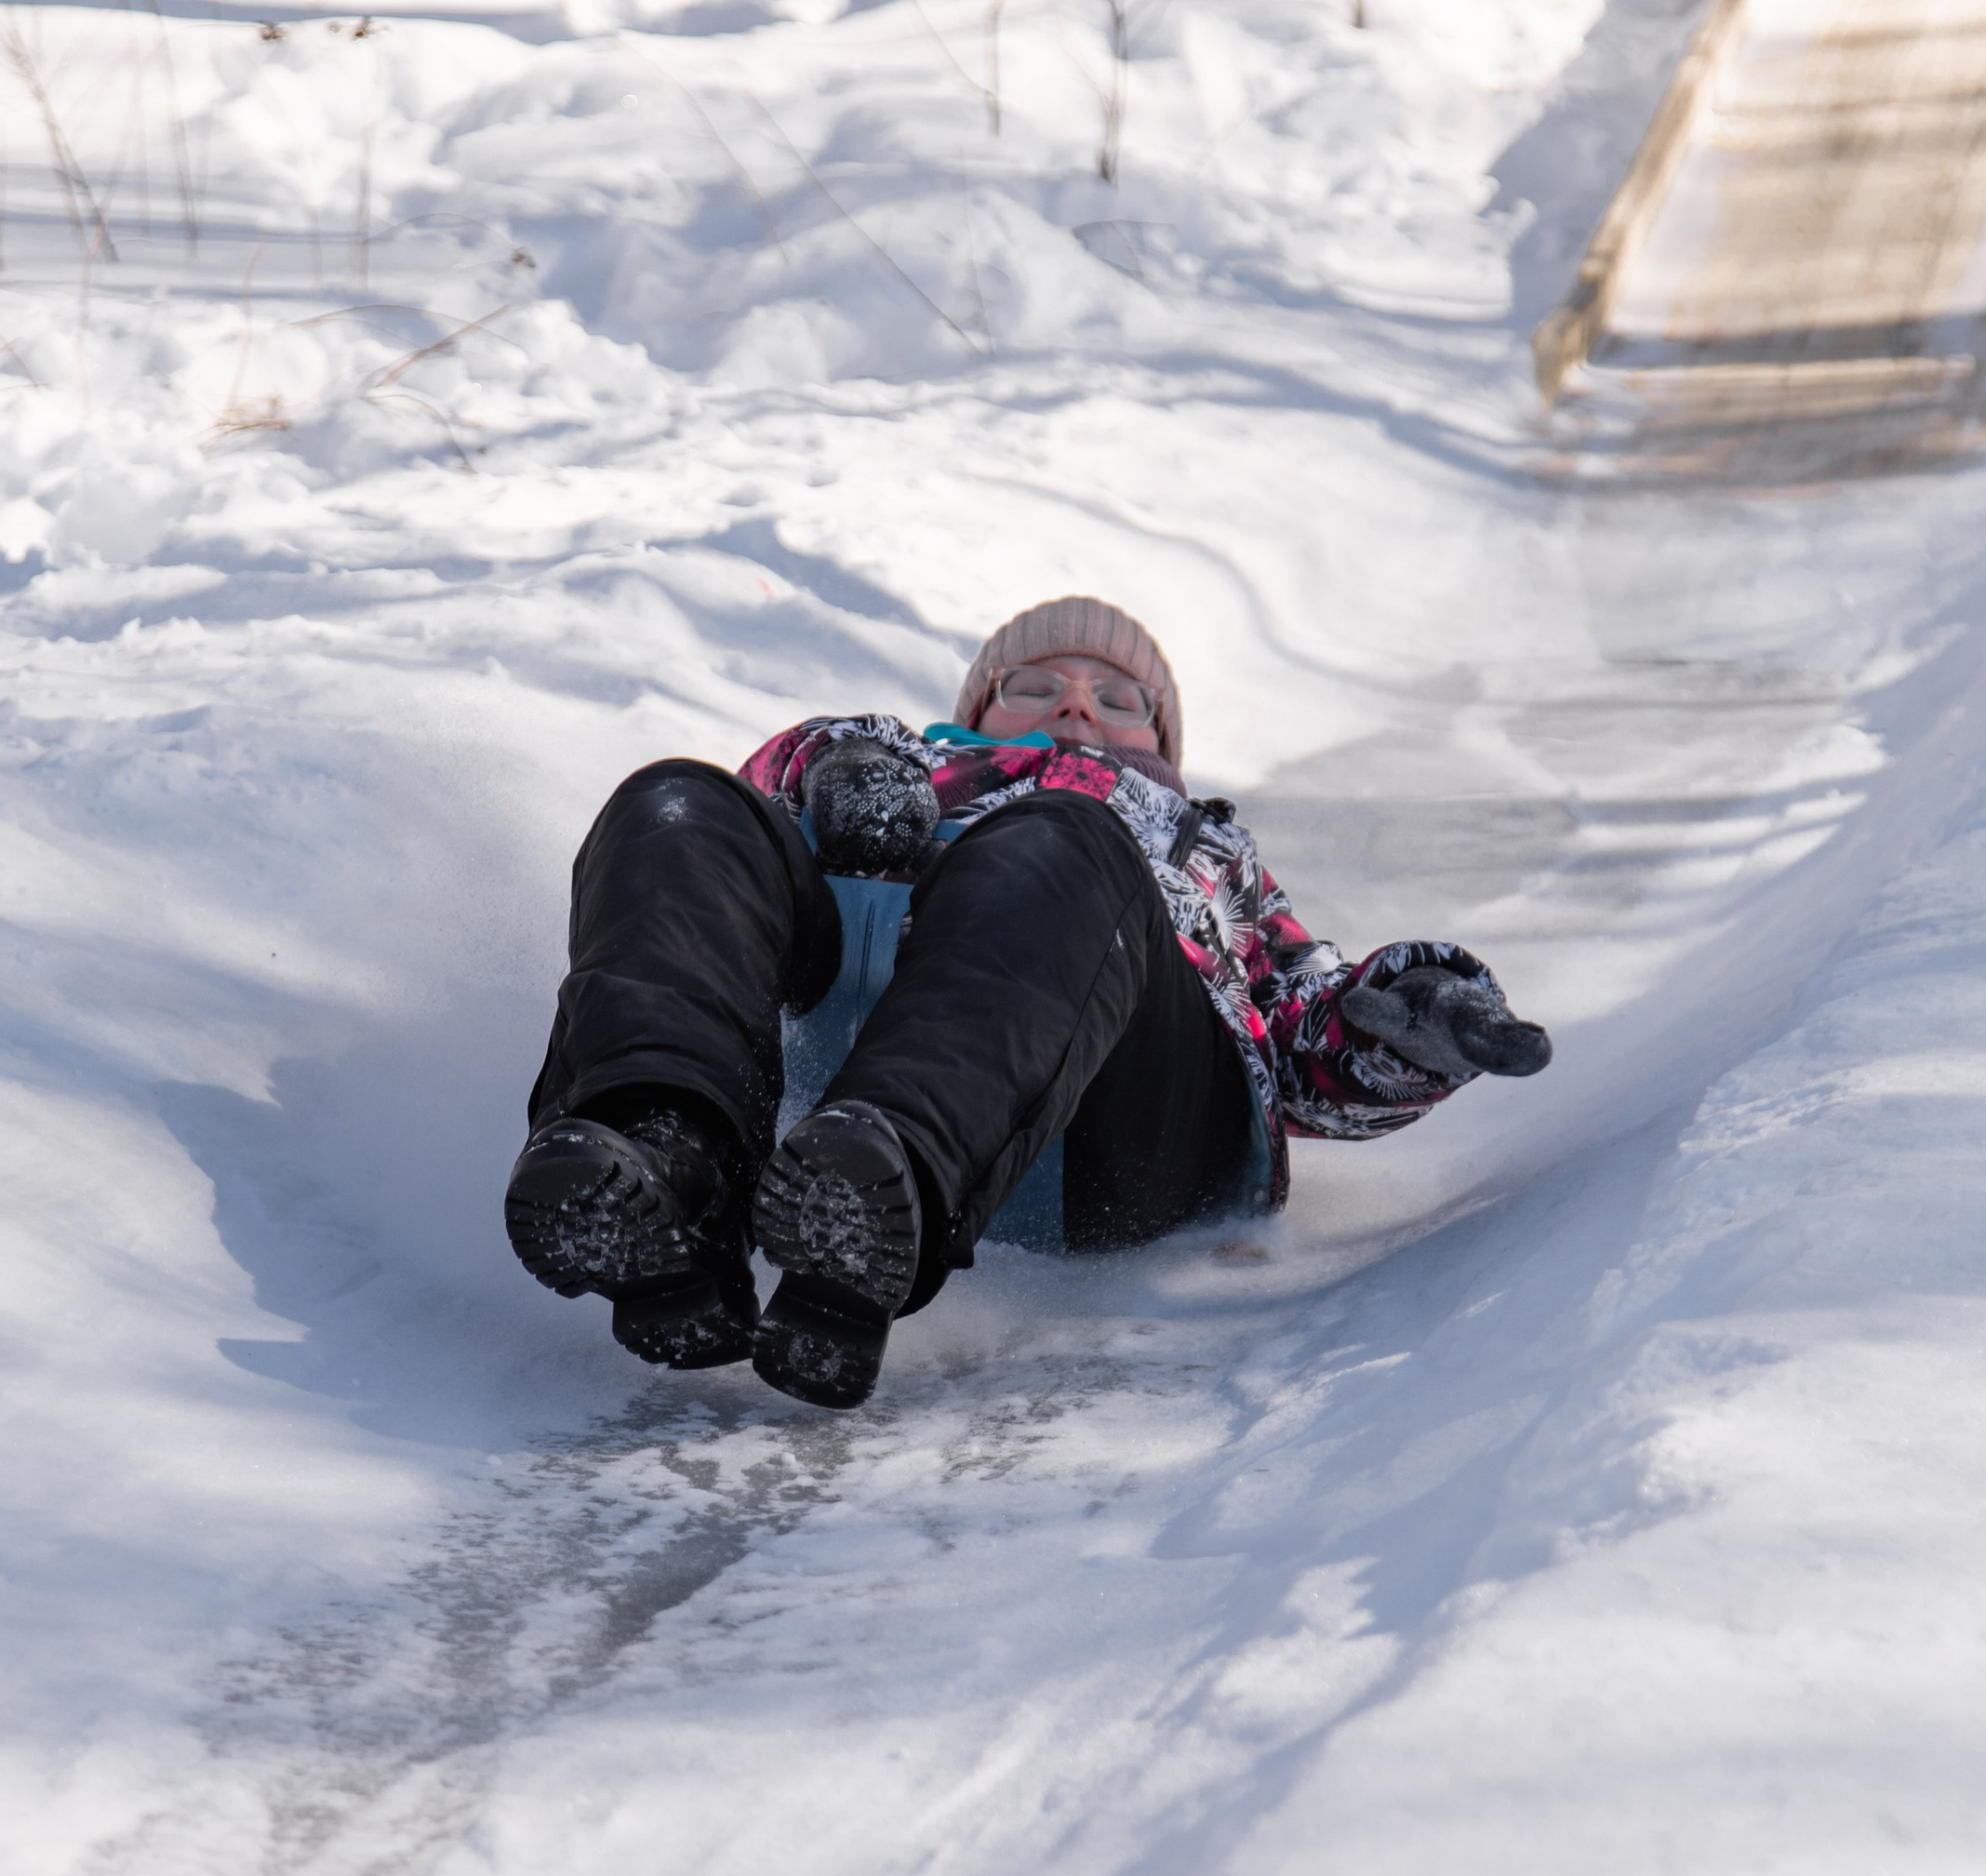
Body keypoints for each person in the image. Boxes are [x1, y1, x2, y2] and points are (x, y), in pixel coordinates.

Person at [504, 596, 1551, 1409]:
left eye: (1121, 696)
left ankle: (878, 1203)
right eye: (1035, 681)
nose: (1078, 703)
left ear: (1164, 746)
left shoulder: (1206, 858)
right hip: (854, 1060)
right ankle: (670, 1161)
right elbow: (734, 850)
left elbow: (1304, 1046)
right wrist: (845, 767)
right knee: (679, 805)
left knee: (1061, 843)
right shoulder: (879, 763)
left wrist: (1402, 1019)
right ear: (971, 713)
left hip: (1124, 1144)